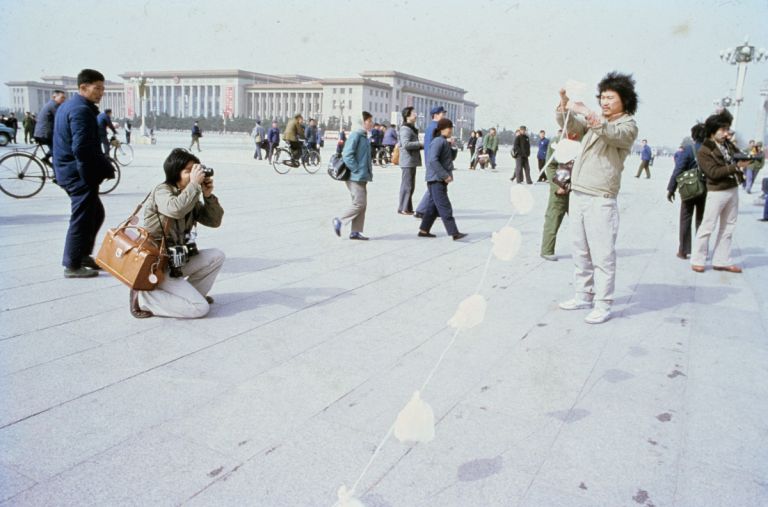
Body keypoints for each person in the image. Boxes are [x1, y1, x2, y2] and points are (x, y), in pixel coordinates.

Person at [556, 72, 639, 324]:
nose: (604, 102)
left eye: (610, 97)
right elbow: (569, 125)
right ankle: (583, 294)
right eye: (602, 97)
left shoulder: (627, 125)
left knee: (602, 254)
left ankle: (603, 303)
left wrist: (588, 112)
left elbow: (610, 134)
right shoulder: (597, 122)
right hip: (579, 192)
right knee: (579, 249)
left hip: (601, 197)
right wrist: (564, 103)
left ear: (624, 100)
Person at [131, 148, 225, 319]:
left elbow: (214, 221)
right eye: (188, 171)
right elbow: (175, 209)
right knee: (200, 309)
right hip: (158, 265)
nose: (194, 175)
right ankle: (147, 299)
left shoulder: (190, 195)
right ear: (176, 173)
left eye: (195, 170)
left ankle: (190, 295)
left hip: (176, 261)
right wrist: (195, 186)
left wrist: (208, 196)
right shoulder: (162, 191)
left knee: (217, 255)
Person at [53, 68, 115, 278]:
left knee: (96, 213)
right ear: (83, 87)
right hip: (76, 173)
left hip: (68, 169)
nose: (101, 93)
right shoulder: (81, 110)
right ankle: (72, 265)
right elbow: (81, 149)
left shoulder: (72, 105)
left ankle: (83, 254)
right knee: (82, 217)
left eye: (102, 88)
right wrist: (90, 176)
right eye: (97, 88)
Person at [690, 109, 749, 273]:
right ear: (712, 131)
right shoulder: (704, 150)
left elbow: (740, 155)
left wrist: (743, 158)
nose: (725, 133)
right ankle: (698, 259)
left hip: (733, 189)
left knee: (728, 227)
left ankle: (722, 260)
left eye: (727, 129)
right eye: (722, 130)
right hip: (717, 191)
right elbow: (713, 173)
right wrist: (736, 166)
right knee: (708, 226)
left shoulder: (728, 145)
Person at [417, 118, 466, 240]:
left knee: (432, 207)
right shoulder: (438, 141)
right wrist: (445, 175)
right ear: (442, 129)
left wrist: (453, 146)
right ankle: (454, 232)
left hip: (438, 179)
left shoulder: (443, 141)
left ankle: (424, 230)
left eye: (451, 128)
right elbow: (433, 160)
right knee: (445, 206)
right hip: (436, 179)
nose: (451, 130)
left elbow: (450, 158)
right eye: (449, 128)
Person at [666, 123, 707, 259]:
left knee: (685, 218)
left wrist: (671, 188)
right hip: (705, 190)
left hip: (689, 189)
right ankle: (700, 251)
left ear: (693, 136)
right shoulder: (710, 151)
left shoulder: (688, 150)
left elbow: (678, 170)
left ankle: (683, 250)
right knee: (701, 220)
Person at [333, 112, 374, 240]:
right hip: (354, 177)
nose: (372, 123)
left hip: (361, 176)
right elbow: (347, 154)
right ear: (363, 122)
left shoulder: (364, 136)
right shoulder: (356, 135)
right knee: (359, 204)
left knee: (362, 204)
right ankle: (339, 220)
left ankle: (355, 231)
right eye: (370, 121)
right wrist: (356, 169)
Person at [540, 131, 578, 261]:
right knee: (553, 217)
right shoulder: (557, 140)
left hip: (579, 189)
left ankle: (586, 251)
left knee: (582, 222)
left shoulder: (584, 140)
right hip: (560, 187)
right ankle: (547, 249)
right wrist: (558, 186)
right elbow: (550, 166)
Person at [414, 106, 447, 217]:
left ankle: (434, 209)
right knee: (435, 186)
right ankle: (421, 210)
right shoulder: (436, 128)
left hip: (432, 160)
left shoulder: (431, 127)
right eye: (442, 114)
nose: (444, 116)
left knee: (437, 186)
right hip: (435, 161)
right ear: (436, 115)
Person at [398, 107, 423, 215]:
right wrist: (421, 144)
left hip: (411, 160)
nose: (416, 115)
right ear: (407, 116)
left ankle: (407, 207)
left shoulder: (411, 128)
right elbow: (406, 144)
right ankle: (403, 208)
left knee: (410, 185)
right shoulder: (405, 129)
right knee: (407, 185)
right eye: (413, 113)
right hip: (407, 160)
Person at [34, 89, 67, 154]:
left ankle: (47, 158)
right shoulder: (53, 105)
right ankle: (50, 160)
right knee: (58, 150)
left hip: (42, 133)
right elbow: (62, 119)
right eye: (62, 97)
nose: (64, 99)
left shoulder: (52, 104)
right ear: (54, 97)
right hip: (44, 134)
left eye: (64, 98)